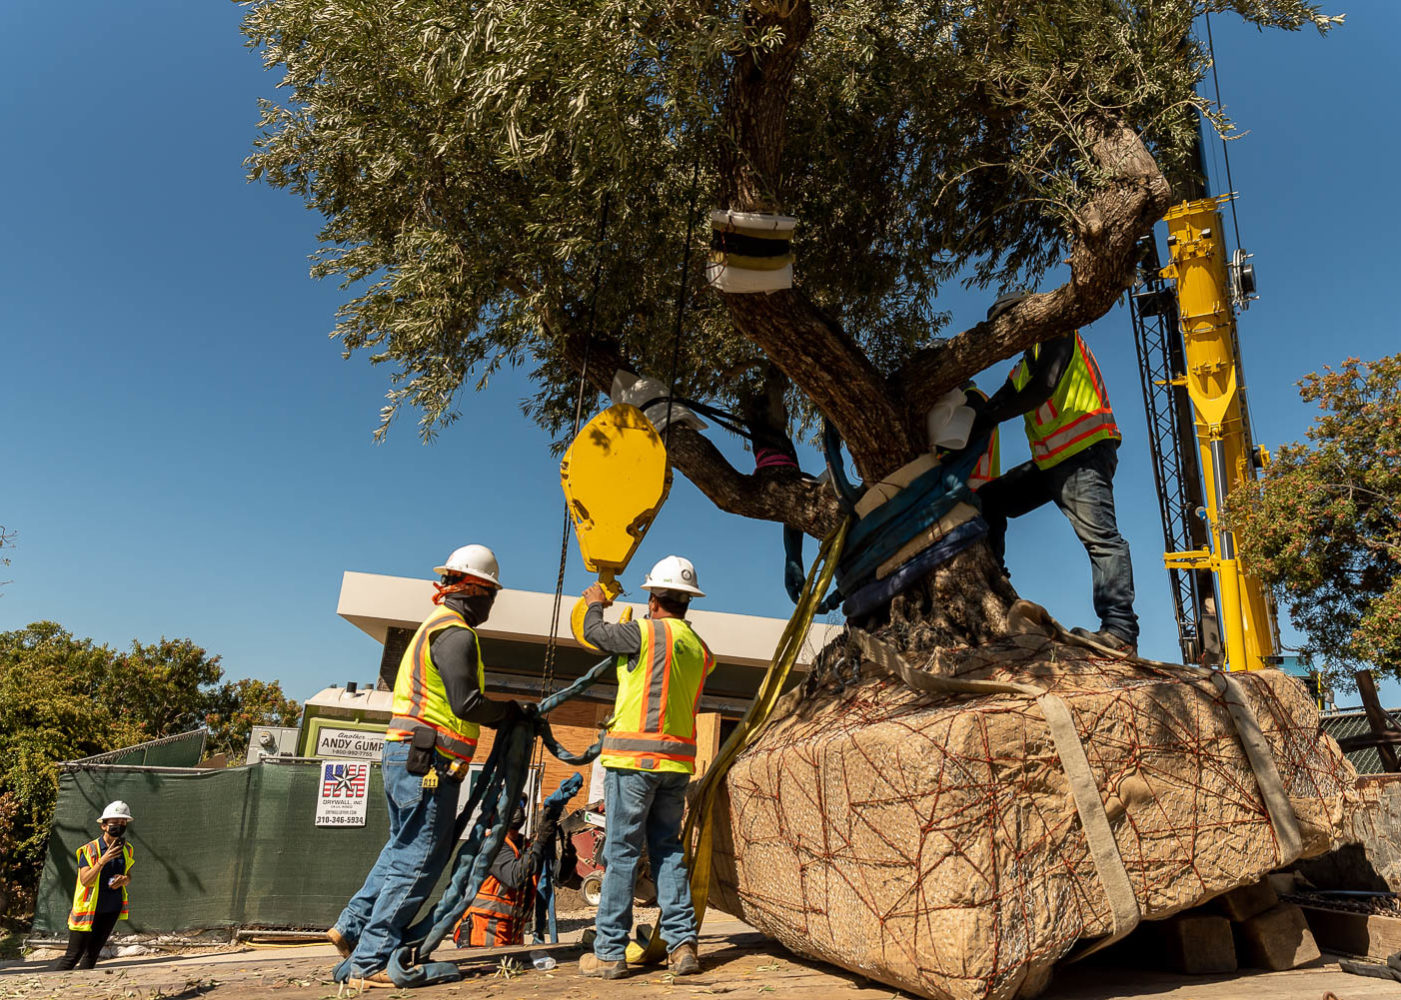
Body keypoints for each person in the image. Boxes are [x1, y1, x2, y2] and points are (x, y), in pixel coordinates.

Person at [328, 544, 526, 987]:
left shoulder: (431, 627)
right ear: (474, 590)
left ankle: (352, 925)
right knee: (417, 861)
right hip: (429, 762)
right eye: (490, 593)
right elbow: (466, 703)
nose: (491, 603)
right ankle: (372, 959)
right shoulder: (456, 633)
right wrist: (511, 713)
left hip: (408, 755)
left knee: (400, 849)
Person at [972, 305, 1139, 654]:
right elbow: (1003, 399)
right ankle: (995, 584)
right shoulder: (1024, 364)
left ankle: (1121, 632)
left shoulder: (1059, 332)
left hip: (1084, 454)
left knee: (1102, 540)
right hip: (1052, 463)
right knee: (988, 500)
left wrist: (991, 416)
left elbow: (1043, 387)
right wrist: (976, 417)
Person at [577, 556, 714, 980]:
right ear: (687, 602)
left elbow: (593, 633)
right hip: (675, 765)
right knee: (668, 851)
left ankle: (609, 954)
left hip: (634, 762)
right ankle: (683, 947)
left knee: (620, 854)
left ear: (653, 599)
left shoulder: (647, 633)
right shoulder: (699, 648)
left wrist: (596, 601)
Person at [451, 803, 552, 948]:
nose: (517, 808)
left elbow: (559, 877)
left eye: (521, 804)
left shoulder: (526, 846)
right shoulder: (491, 845)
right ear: (494, 816)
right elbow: (514, 876)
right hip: (483, 932)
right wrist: (540, 842)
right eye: (512, 803)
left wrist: (568, 854)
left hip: (510, 933)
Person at [56, 801, 134, 970]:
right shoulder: (89, 850)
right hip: (87, 910)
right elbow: (85, 880)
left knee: (92, 955)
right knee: (72, 956)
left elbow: (128, 875)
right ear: (104, 826)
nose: (119, 826)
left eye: (123, 823)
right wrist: (103, 861)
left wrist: (123, 880)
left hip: (111, 908)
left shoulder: (127, 849)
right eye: (115, 823)